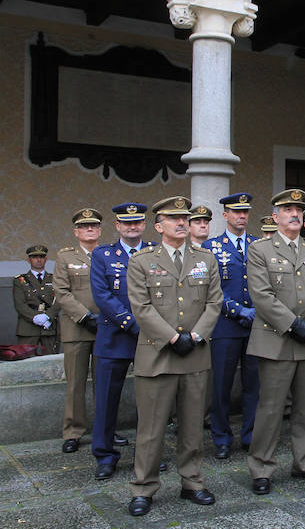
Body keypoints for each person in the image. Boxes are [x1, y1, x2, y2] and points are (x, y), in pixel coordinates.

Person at [125, 196, 223, 517]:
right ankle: (144, 487)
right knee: (151, 428)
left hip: (195, 352)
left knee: (193, 425)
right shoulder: (142, 260)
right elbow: (141, 307)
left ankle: (192, 481)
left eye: (185, 218)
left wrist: (194, 336)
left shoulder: (206, 259)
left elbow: (214, 303)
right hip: (157, 355)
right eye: (174, 218)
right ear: (159, 226)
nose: (182, 222)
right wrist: (171, 337)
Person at [246, 189, 305, 495]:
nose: (295, 213)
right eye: (287, 209)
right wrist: (292, 324)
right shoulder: (260, 249)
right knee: (271, 408)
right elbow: (261, 296)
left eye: (298, 208)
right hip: (276, 340)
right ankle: (262, 467)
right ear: (275, 217)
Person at [90, 202, 154, 480]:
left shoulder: (155, 252)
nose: (132, 227)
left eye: (137, 222)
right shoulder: (103, 255)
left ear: (144, 225)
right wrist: (131, 323)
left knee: (150, 402)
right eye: (127, 223)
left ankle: (147, 455)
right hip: (114, 337)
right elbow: (102, 295)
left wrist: (149, 326)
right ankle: (105, 456)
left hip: (149, 339)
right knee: (106, 400)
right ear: (117, 226)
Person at [203, 192, 260, 459]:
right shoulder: (211, 248)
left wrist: (258, 310)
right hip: (225, 325)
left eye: (245, 212)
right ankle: (222, 437)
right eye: (236, 212)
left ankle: (250, 434)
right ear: (225, 215)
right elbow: (212, 290)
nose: (242, 216)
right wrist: (238, 310)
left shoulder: (259, 245)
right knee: (221, 385)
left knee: (254, 384)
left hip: (257, 324)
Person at [55, 208, 103, 454]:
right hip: (77, 327)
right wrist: (84, 316)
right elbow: (61, 292)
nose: (90, 230)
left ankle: (105, 429)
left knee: (104, 382)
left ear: (100, 230)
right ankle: (73, 431)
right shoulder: (65, 258)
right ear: (76, 232)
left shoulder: (107, 254)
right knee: (76, 383)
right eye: (85, 227)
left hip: (105, 327)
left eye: (94, 226)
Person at [13, 245, 59, 351]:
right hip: (27, 328)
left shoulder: (55, 279)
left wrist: (47, 316)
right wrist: (35, 317)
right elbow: (19, 304)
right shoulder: (19, 280)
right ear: (28, 260)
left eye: (42, 257)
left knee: (51, 361)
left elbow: (60, 300)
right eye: (35, 257)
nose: (38, 260)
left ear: (46, 259)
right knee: (25, 362)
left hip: (49, 326)